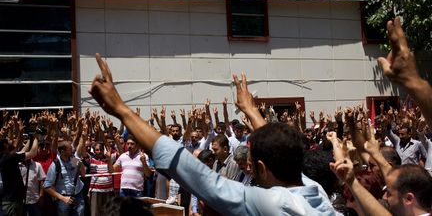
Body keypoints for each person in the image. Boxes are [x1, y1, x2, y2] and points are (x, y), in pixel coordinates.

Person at [89, 53, 336, 215]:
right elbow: (278, 146)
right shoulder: (317, 194)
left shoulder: (272, 205)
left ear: (261, 168)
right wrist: (251, 111)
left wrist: (121, 109)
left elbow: (197, 174)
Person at [43, 140, 86, 216]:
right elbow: (46, 186)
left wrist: (81, 163)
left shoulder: (73, 160)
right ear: (62, 151)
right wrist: (62, 198)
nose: (72, 150)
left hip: (78, 195)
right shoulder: (55, 165)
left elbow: (83, 174)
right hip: (63, 198)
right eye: (70, 149)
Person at [0, 136, 38, 216]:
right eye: (9, 140)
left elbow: (22, 152)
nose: (12, 140)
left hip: (11, 200)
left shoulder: (6, 157)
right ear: (5, 145)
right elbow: (33, 153)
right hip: (12, 202)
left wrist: (31, 138)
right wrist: (36, 139)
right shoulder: (8, 158)